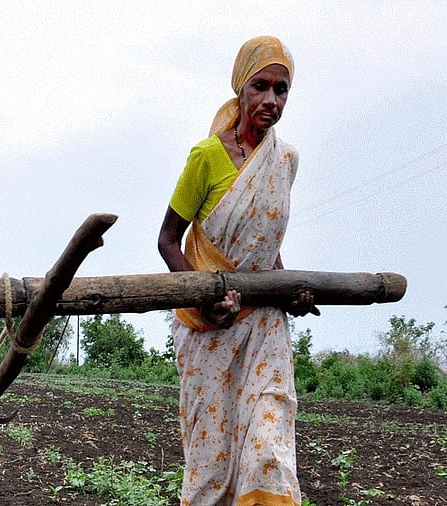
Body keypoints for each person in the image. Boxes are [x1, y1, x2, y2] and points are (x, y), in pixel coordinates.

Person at [157, 36, 318, 506]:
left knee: (268, 448)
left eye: (281, 90)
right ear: (240, 87)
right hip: (209, 328)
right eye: (260, 86)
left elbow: (267, 248)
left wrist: (291, 291)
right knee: (212, 465)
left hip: (265, 326)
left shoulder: (284, 161)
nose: (271, 100)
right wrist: (205, 296)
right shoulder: (206, 156)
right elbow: (168, 240)